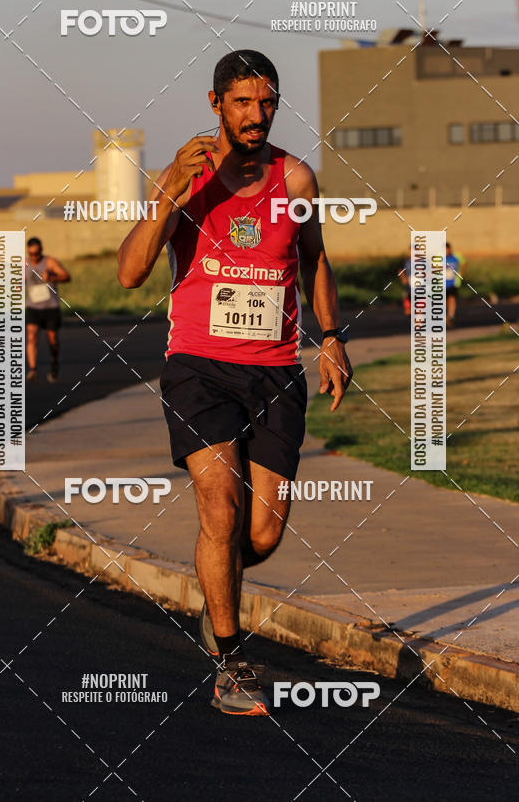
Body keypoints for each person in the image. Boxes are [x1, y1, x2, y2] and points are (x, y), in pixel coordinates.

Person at [117, 50, 352, 716]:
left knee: (263, 535)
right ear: (215, 102)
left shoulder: (297, 180)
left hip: (275, 370)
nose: (257, 114)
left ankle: (220, 573)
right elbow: (130, 273)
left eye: (267, 101)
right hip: (197, 366)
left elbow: (315, 261)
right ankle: (230, 654)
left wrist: (331, 338)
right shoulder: (186, 178)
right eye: (243, 102)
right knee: (218, 506)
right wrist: (164, 193)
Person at [25, 237, 70, 382]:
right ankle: (32, 369)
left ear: (41, 251)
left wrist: (52, 276)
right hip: (33, 307)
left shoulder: (50, 262)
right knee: (31, 336)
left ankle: (54, 362)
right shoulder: (24, 264)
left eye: (37, 254)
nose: (34, 257)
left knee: (53, 340)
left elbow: (66, 276)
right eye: (32, 254)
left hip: (50, 307)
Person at [445, 241, 465, 328]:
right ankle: (446, 316)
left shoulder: (456, 257)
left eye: (447, 249)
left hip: (453, 283)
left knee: (452, 299)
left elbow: (464, 263)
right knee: (446, 301)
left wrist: (461, 273)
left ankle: (451, 316)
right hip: (442, 284)